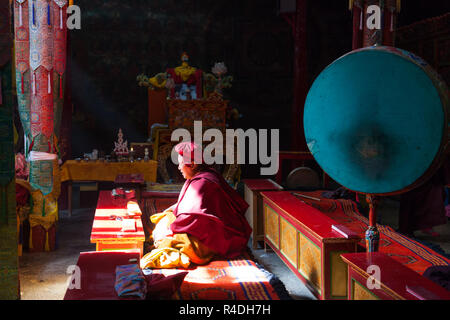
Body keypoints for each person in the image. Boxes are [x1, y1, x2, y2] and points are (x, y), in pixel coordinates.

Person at [140, 142, 251, 269]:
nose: (178, 168)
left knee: (170, 240)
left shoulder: (202, 183)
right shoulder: (205, 175)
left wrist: (170, 229)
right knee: (164, 218)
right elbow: (187, 208)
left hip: (217, 237)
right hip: (208, 227)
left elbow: (195, 220)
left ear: (192, 164)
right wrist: (171, 213)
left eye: (180, 163)